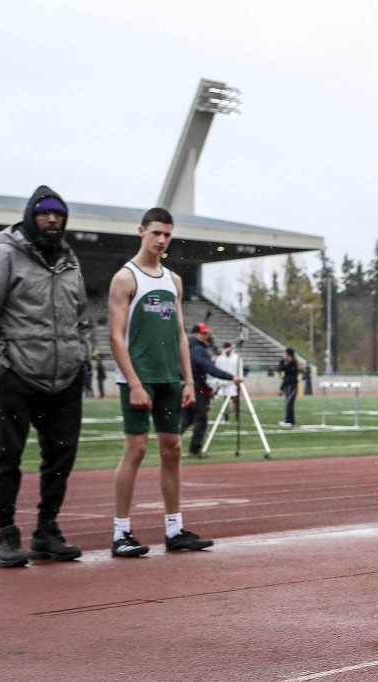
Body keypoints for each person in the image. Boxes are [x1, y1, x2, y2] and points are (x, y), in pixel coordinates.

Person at [0, 185, 90, 567]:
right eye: (44, 214)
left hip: (65, 379)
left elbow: (83, 318)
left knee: (60, 459)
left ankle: (46, 532)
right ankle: (5, 534)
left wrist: (82, 354)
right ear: (30, 217)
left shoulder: (70, 261)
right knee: (7, 457)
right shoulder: (3, 255)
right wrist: (2, 369)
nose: (52, 220)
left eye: (59, 215)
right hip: (17, 376)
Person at [109, 208, 228, 558]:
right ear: (141, 231)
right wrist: (133, 382)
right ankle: (121, 532)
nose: (161, 240)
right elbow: (116, 337)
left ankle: (174, 529)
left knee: (173, 451)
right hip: (138, 378)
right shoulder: (125, 278)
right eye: (156, 233)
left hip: (169, 379)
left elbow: (179, 333)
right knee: (136, 450)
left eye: (167, 235)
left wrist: (188, 380)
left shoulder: (173, 280)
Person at [181, 323, 240, 457]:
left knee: (186, 419)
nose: (207, 336)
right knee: (201, 418)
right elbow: (210, 369)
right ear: (197, 334)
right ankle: (194, 450)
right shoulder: (198, 350)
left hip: (185, 385)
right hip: (196, 387)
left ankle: (169, 444)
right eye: (204, 333)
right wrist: (231, 377)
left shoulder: (187, 347)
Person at [214, 341, 240, 419]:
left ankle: (237, 415)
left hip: (234, 381)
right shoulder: (219, 358)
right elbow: (217, 370)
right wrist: (217, 383)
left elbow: (239, 370)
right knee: (225, 401)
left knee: (235, 400)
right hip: (224, 382)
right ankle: (226, 416)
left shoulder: (237, 357)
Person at [277, 348, 298, 427]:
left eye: (285, 354)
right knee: (288, 403)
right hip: (289, 385)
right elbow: (282, 372)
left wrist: (281, 363)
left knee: (289, 403)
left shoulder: (293, 363)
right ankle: (290, 421)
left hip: (292, 385)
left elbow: (283, 369)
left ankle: (288, 421)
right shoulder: (289, 363)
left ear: (288, 354)